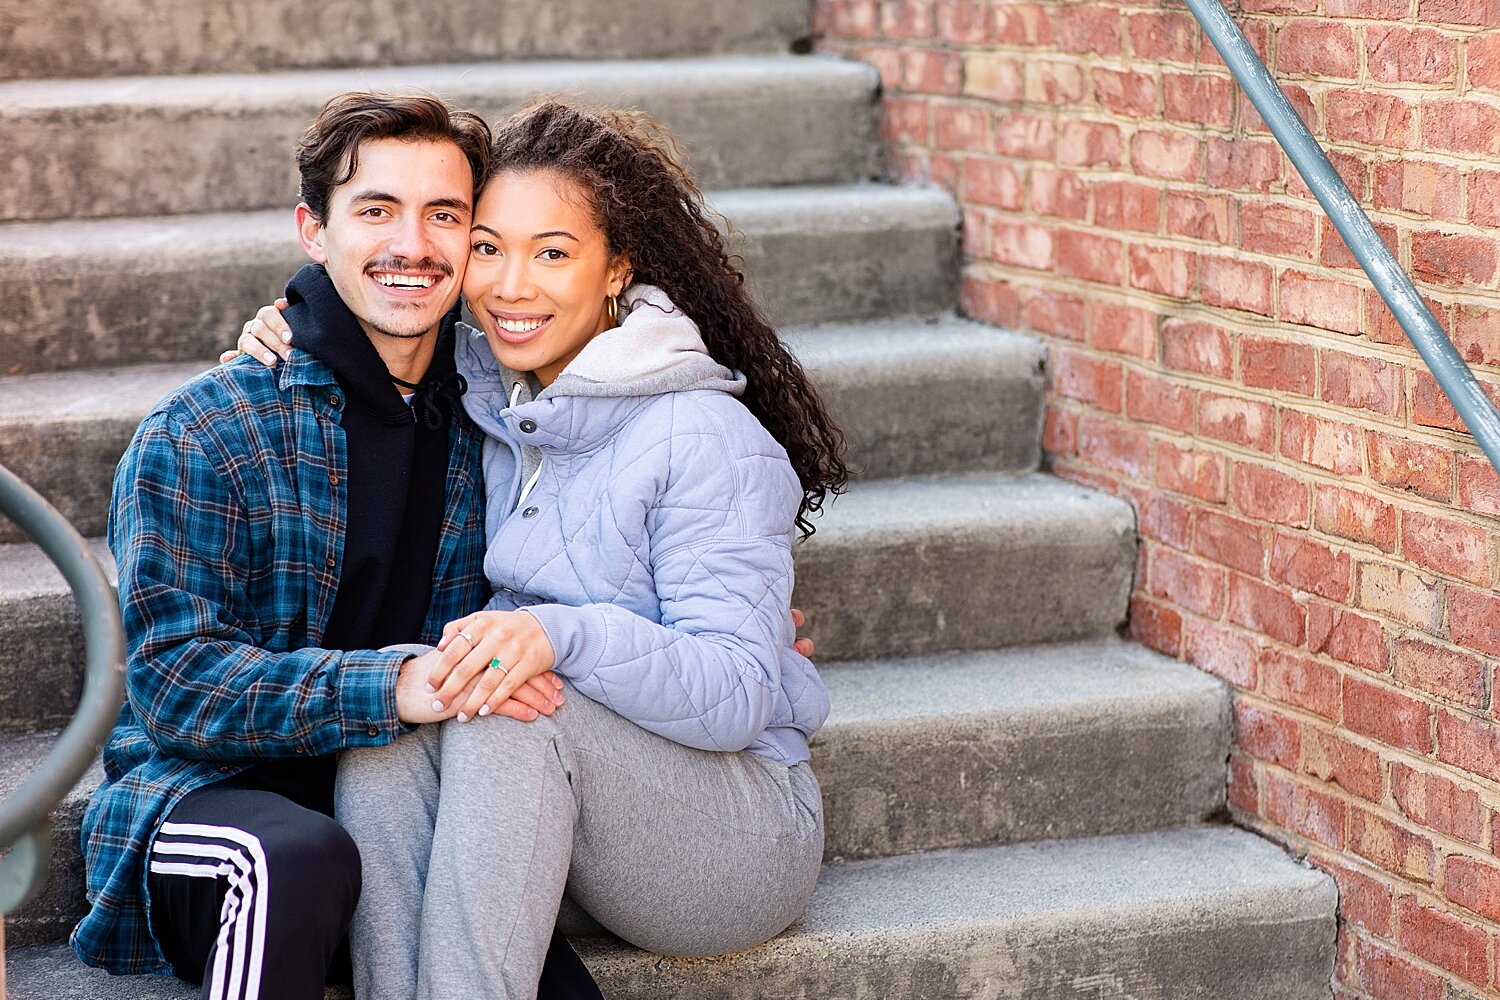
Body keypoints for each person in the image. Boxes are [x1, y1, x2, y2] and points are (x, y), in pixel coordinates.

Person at [231, 99, 849, 999]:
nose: (511, 286)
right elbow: (384, 316)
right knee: (399, 712)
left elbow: (740, 697)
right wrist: (297, 328)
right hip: (567, 804)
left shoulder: (703, 436)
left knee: (508, 707)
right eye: (488, 247)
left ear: (616, 269)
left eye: (552, 252)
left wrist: (561, 635)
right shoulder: (490, 399)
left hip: (734, 833)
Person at [75, 93, 605, 1000]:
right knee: (299, 860)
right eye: (376, 210)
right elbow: (174, 684)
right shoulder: (207, 430)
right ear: (312, 232)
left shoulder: (499, 414)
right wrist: (392, 682)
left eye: (445, 215)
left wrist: (729, 611)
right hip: (214, 804)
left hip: (406, 796)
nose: (413, 244)